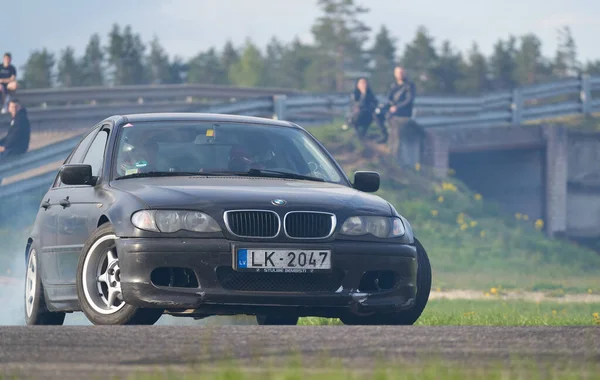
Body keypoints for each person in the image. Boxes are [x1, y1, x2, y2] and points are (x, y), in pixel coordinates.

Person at [376, 66, 417, 159]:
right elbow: (389, 98)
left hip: (403, 112)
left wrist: (397, 107)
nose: (400, 74)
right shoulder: (393, 85)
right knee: (377, 114)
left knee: (396, 131)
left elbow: (409, 99)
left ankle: (393, 153)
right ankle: (384, 135)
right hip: (392, 111)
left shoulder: (409, 85)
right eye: (398, 73)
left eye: (402, 72)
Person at [0, 98, 31, 184]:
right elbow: (9, 136)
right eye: (12, 107)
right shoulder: (16, 118)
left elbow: (15, 136)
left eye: (16, 106)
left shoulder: (21, 119)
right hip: (13, 147)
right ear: (9, 108)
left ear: (20, 107)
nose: (14, 109)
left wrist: (5, 147)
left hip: (17, 148)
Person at [346, 77, 386, 142]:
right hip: (357, 116)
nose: (363, 85)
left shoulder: (370, 94)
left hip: (368, 116)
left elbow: (375, 103)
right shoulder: (354, 95)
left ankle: (383, 135)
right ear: (358, 85)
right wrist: (363, 94)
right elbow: (359, 105)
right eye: (361, 83)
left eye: (365, 83)